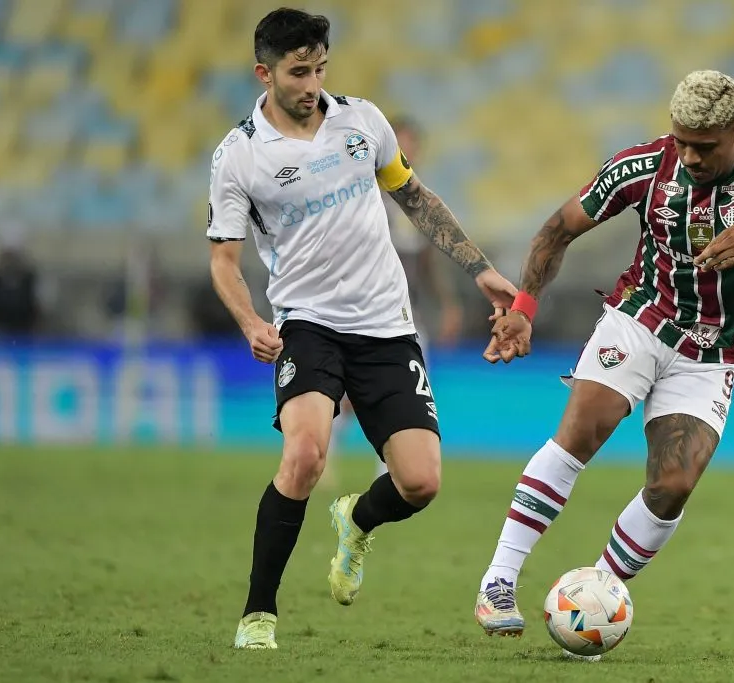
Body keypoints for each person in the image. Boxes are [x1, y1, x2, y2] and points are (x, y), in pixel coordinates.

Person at [474, 70, 734, 648]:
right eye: (680, 140)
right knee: (584, 430)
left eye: (704, 146)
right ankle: (499, 580)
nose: (688, 155)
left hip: (713, 351)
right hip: (641, 319)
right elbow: (557, 230)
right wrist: (525, 307)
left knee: (674, 484)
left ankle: (597, 595)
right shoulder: (644, 166)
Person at [206, 9, 516, 650]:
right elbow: (224, 261)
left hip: (386, 325)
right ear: (264, 72)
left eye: (319, 67)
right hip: (308, 325)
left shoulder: (363, 121)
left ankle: (356, 521)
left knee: (421, 482)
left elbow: (414, 197)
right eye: (297, 71)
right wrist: (249, 320)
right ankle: (258, 613)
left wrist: (479, 270)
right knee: (306, 454)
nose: (312, 82)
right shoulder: (240, 156)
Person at [325, 115, 464, 486]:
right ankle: (324, 454)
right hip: (365, 310)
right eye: (401, 144)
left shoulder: (416, 199)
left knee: (410, 392)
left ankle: (390, 475)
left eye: (412, 145)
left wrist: (448, 304)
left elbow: (428, 260)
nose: (407, 152)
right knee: (353, 395)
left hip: (410, 313)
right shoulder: (363, 196)